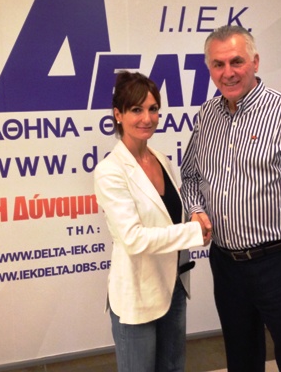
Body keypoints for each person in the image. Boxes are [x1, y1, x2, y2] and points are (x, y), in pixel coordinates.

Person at [180, 25, 281, 372]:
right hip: (226, 265)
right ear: (209, 69)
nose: (228, 72)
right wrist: (195, 209)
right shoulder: (206, 116)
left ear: (255, 62)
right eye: (218, 64)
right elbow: (189, 176)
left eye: (236, 61)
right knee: (241, 360)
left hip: (279, 264)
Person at [93, 71, 211, 372]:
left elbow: (172, 213)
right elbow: (134, 239)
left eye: (153, 109)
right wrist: (193, 232)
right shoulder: (110, 171)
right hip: (137, 295)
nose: (147, 118)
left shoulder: (161, 159)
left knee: (173, 369)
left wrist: (196, 214)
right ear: (118, 115)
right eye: (136, 109)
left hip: (173, 288)